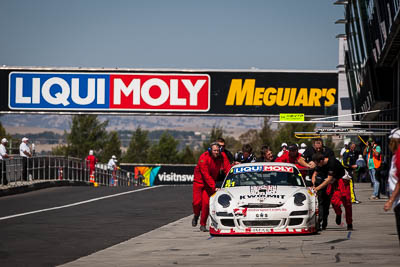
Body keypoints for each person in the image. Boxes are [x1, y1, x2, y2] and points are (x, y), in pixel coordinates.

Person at [192, 142, 231, 232]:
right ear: (210, 150)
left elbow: (227, 168)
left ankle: (202, 224)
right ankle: (196, 215)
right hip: (199, 183)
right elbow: (205, 175)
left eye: (218, 150)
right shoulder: (203, 157)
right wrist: (214, 187)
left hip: (209, 184)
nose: (216, 152)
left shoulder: (222, 156)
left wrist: (231, 179)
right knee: (196, 203)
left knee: (206, 204)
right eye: (214, 150)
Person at [312, 152, 353, 231]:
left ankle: (349, 223)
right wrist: (314, 183)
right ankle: (338, 213)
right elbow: (314, 174)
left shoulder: (332, 163)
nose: (316, 165)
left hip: (343, 181)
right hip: (334, 182)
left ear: (321, 161)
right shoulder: (320, 165)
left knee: (347, 203)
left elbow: (328, 179)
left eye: (316, 163)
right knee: (334, 202)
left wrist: (317, 188)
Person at [383, 128, 400, 244]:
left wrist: (391, 200)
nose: (390, 144)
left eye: (392, 141)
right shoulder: (396, 155)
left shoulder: (399, 155)